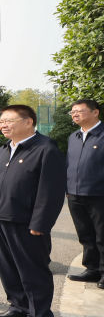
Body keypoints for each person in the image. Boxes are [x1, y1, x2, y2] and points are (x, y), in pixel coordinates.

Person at [0, 105, 66, 317]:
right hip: (0, 218)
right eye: (1, 121)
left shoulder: (45, 149)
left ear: (28, 122)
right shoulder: (3, 150)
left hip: (27, 223)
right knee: (8, 267)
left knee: (32, 269)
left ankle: (40, 315)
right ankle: (18, 306)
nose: (3, 125)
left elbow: (51, 191)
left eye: (9, 120)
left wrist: (41, 223)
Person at [65, 99, 104, 287]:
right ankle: (92, 268)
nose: (75, 114)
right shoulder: (74, 137)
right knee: (85, 234)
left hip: (99, 194)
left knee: (102, 235)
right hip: (75, 194)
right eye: (72, 112)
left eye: (79, 111)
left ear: (95, 112)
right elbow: (69, 165)